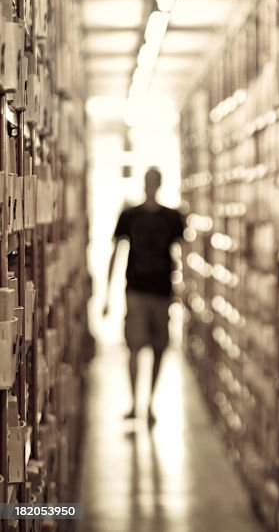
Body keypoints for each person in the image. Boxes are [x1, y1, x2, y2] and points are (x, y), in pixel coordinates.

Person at [103, 168, 185, 426]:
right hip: (136, 290)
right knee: (134, 347)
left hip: (162, 291)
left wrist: (184, 290)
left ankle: (149, 402)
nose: (150, 186)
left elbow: (183, 254)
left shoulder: (173, 218)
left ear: (159, 185)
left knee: (160, 348)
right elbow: (116, 253)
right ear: (144, 184)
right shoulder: (130, 216)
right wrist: (106, 295)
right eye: (148, 182)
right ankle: (134, 403)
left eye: (154, 182)